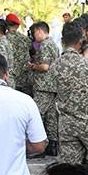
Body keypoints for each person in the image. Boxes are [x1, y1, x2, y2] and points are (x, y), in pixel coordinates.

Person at [50, 22, 88, 173]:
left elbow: (54, 89)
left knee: (70, 172)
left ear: (63, 40)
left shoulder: (55, 66)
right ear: (80, 41)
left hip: (67, 125)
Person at [28, 22, 59, 158]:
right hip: (52, 85)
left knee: (37, 114)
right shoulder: (52, 43)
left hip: (43, 86)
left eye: (35, 33)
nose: (34, 36)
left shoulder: (45, 45)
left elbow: (45, 67)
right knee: (51, 116)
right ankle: (52, 146)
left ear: (40, 31)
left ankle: (38, 147)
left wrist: (33, 66)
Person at [5, 13, 32, 93]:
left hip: (11, 78)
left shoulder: (4, 39)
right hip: (25, 77)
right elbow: (32, 50)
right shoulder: (25, 39)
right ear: (17, 26)